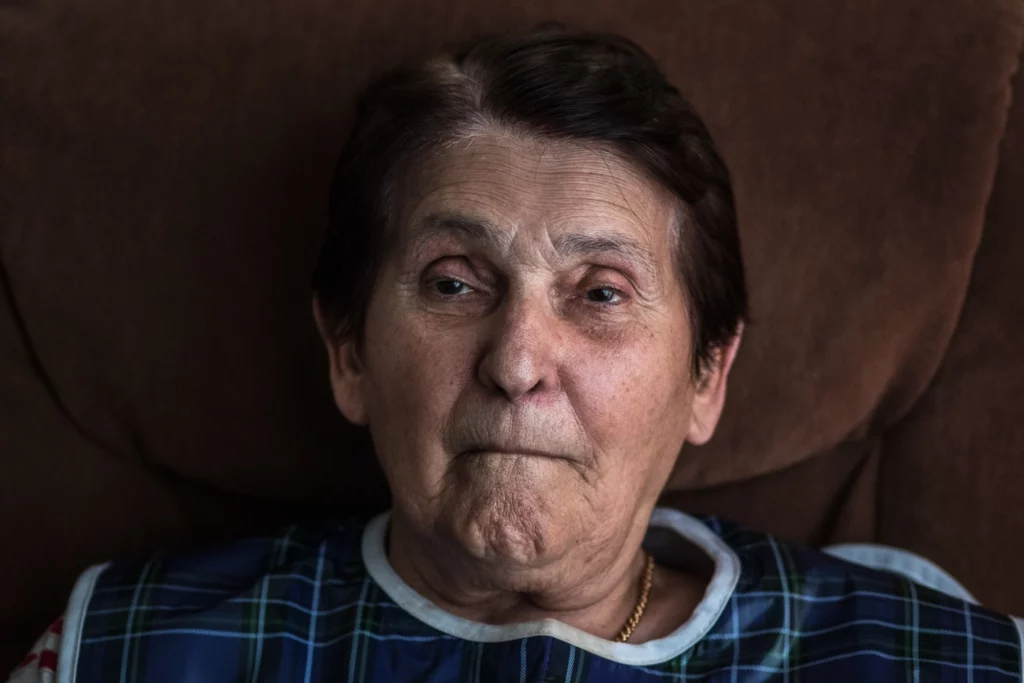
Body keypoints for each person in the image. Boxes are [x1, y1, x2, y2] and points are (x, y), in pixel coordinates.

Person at [9, 26, 1024, 683]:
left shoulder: (920, 656)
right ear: (350, 351)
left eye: (599, 293)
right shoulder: (132, 645)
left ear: (706, 375)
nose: (518, 359)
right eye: (454, 281)